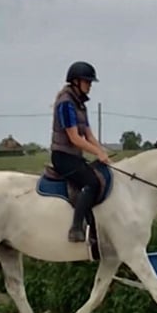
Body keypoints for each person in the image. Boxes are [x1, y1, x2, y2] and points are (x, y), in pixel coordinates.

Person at [50, 61, 111, 242]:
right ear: (76, 81)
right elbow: (75, 138)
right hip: (62, 156)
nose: (90, 85)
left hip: (74, 156)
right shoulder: (66, 104)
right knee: (91, 182)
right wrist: (96, 153)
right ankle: (76, 228)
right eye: (87, 81)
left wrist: (102, 152)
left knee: (102, 174)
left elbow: (89, 136)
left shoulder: (79, 105)